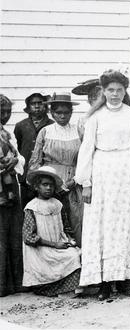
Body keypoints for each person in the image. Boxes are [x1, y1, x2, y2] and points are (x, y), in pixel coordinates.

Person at [74, 70, 130, 300]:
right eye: (110, 90)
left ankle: (125, 279)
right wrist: (86, 183)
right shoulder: (95, 117)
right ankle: (105, 283)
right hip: (103, 172)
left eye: (119, 90)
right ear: (103, 92)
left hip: (128, 171)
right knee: (104, 225)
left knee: (126, 223)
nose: (115, 94)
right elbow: (87, 149)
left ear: (124, 91)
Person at [29, 93, 84, 246]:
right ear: (52, 113)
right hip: (50, 184)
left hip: (73, 183)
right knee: (52, 222)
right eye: (58, 113)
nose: (62, 116)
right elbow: (35, 161)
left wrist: (74, 181)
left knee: (76, 220)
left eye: (66, 112)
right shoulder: (45, 131)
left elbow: (85, 159)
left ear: (71, 113)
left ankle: (77, 259)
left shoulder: (78, 131)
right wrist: (42, 184)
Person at [22, 166, 81, 297]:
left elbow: (65, 227)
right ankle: (54, 289)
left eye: (51, 185)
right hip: (41, 249)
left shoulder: (57, 204)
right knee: (71, 257)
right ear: (37, 187)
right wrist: (54, 245)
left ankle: (70, 287)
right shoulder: (32, 207)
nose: (48, 188)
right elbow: (28, 237)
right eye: (45, 185)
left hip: (58, 244)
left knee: (77, 253)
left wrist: (69, 239)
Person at [0, 94, 25, 297]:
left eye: (8, 112)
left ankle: (14, 283)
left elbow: (19, 158)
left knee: (13, 234)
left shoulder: (7, 134)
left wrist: (14, 161)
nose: (5, 115)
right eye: (1, 112)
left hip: (11, 188)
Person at [14, 92, 54, 206]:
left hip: (45, 171)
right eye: (33, 103)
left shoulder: (52, 125)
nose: (37, 106)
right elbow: (20, 145)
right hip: (26, 172)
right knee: (27, 205)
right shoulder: (20, 125)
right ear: (28, 107)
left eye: (40, 103)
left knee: (45, 204)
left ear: (45, 106)